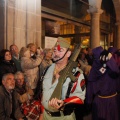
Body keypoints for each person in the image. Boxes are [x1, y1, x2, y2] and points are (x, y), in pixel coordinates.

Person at [42, 37, 86, 120]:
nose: (56, 53)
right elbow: (44, 92)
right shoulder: (47, 69)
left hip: (63, 117)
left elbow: (80, 98)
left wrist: (64, 103)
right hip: (45, 115)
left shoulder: (77, 74)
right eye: (54, 50)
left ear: (68, 53)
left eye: (60, 50)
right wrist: (42, 112)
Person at [86, 46, 119, 120]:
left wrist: (109, 59)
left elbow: (116, 72)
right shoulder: (96, 68)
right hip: (101, 102)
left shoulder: (110, 67)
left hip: (111, 100)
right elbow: (90, 86)